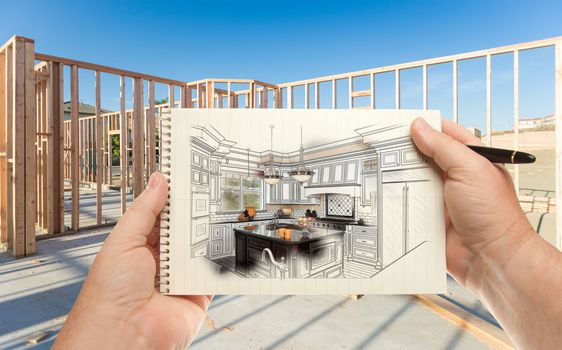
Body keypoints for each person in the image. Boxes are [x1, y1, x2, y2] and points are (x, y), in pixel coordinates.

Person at [53, 118, 562, 349]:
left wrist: (500, 250)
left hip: (293, 234)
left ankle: (272, 255)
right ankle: (270, 255)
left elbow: (320, 222)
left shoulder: (317, 207)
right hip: (279, 235)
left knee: (288, 238)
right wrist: (504, 252)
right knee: (275, 238)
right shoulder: (266, 203)